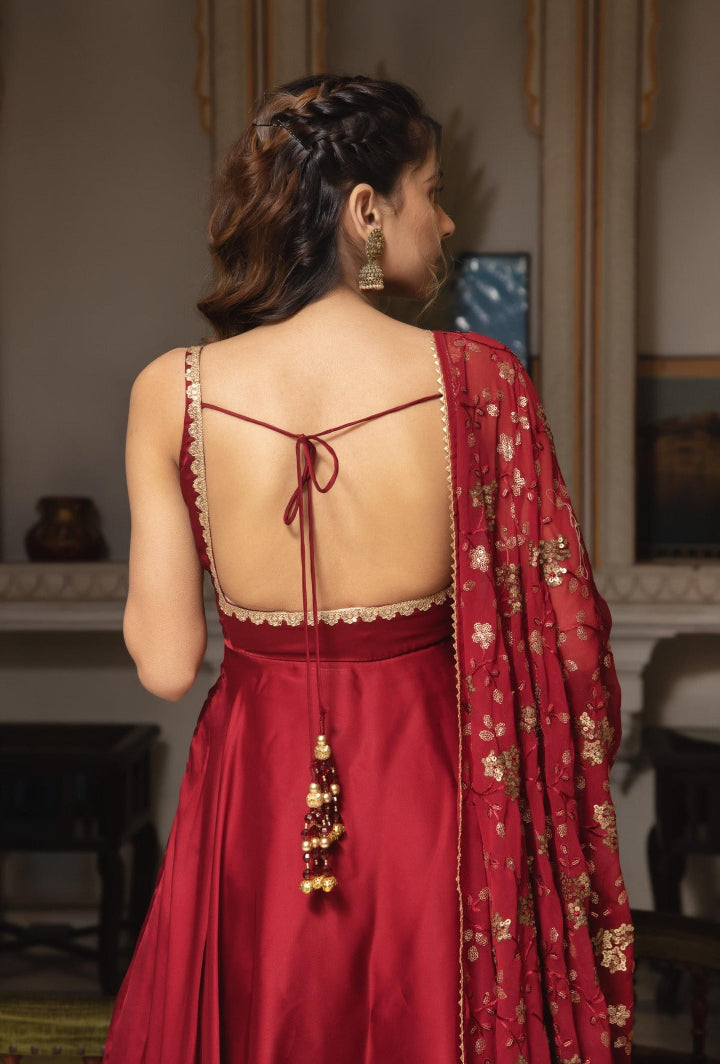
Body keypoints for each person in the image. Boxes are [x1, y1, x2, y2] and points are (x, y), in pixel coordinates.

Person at [103, 74, 634, 1064]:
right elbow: (571, 644)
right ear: (366, 213)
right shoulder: (481, 385)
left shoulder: (169, 390)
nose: (446, 214)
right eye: (430, 189)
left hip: (256, 791)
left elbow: (168, 664)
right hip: (429, 780)